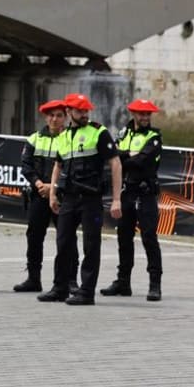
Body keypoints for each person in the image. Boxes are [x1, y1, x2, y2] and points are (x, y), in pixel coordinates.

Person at [38, 93, 122, 305]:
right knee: (63, 242)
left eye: (86, 110)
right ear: (69, 112)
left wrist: (116, 199)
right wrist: (53, 194)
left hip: (91, 199)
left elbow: (115, 163)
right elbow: (58, 165)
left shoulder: (98, 132)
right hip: (69, 198)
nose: (84, 114)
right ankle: (60, 288)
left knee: (91, 245)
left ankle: (86, 292)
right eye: (80, 111)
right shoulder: (64, 136)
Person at [101, 99, 164, 301]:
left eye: (148, 114)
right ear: (133, 114)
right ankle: (123, 282)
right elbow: (114, 157)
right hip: (127, 193)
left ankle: (155, 284)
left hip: (145, 193)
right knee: (123, 238)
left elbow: (141, 161)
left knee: (149, 238)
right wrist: (128, 155)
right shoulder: (123, 133)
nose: (145, 117)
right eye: (141, 114)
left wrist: (124, 157)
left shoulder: (154, 137)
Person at [14, 100, 79, 293]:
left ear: (65, 117)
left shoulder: (71, 138)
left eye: (59, 115)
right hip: (38, 195)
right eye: (51, 115)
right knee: (34, 237)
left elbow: (74, 168)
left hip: (62, 197)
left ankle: (71, 280)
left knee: (67, 239)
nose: (54, 119)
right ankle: (33, 279)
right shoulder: (34, 138)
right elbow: (26, 165)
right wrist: (38, 184)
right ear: (45, 117)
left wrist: (53, 187)